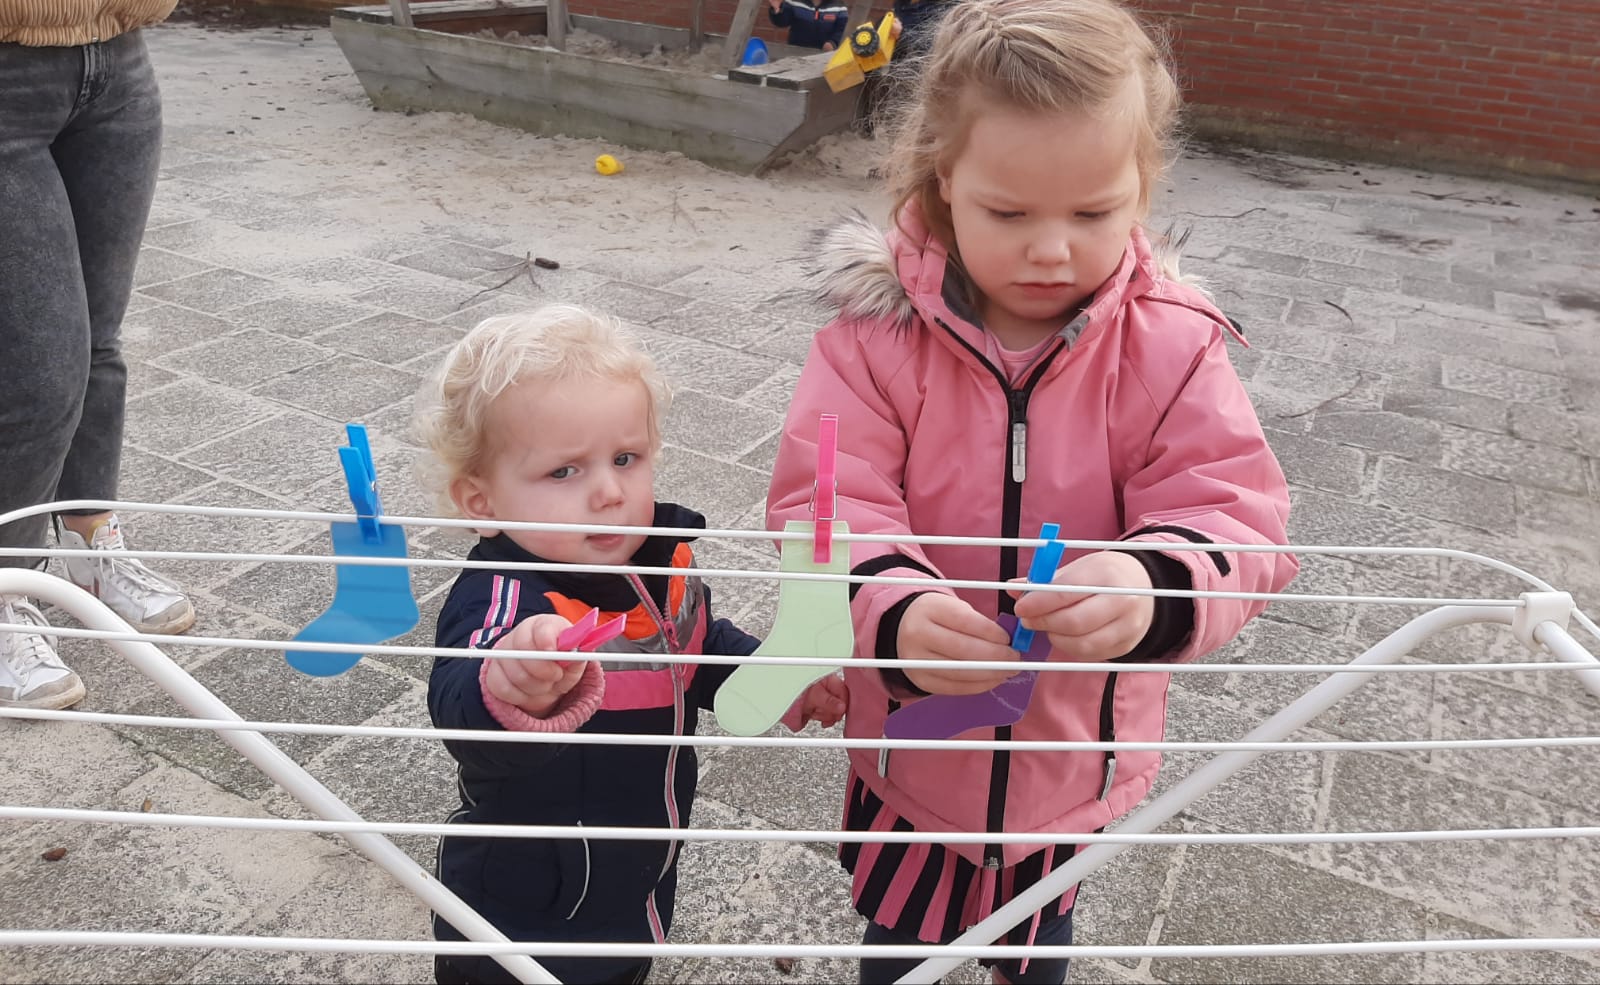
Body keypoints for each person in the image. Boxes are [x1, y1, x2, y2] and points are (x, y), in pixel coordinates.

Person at [765, 1, 1299, 982]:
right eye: (1008, 214)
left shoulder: (1175, 348)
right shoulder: (871, 342)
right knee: (900, 946)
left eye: (1092, 213)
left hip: (1069, 757)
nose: (1051, 250)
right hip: (916, 745)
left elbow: (1235, 510)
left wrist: (1154, 584)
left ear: (1142, 187)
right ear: (940, 182)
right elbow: (823, 507)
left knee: (1037, 948)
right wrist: (890, 606)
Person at [415, 305, 848, 985]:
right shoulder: (502, 597)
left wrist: (771, 676)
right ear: (482, 500)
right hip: (523, 910)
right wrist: (510, 683)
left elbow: (696, 651)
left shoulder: (661, 565)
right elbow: (462, 713)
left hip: (636, 872)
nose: (610, 492)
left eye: (626, 458)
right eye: (564, 472)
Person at [1, 0, 196, 711]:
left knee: (100, 341)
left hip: (119, 55)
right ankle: (7, 587)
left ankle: (90, 545)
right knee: (38, 374)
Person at [766, 0, 850, 51]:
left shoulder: (839, 7)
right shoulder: (794, 2)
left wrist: (833, 43)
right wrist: (777, 10)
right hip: (795, 52)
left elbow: (841, 30)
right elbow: (782, 22)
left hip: (823, 56)